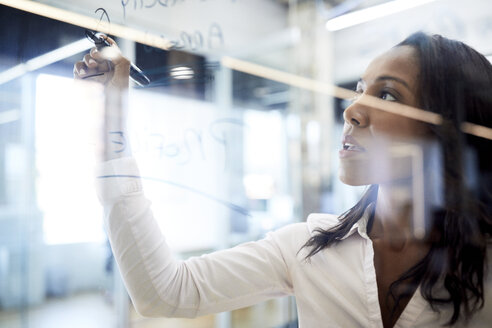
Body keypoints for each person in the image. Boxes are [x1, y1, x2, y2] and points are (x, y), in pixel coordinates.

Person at [74, 32, 492, 327]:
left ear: (447, 131)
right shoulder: (308, 247)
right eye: (360, 89)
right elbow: (163, 293)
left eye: (387, 95)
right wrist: (112, 116)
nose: (351, 111)